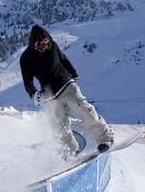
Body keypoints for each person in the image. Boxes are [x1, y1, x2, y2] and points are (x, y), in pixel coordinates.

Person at [20, 24, 114, 158]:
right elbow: (27, 80)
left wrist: (73, 73)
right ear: (35, 43)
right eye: (43, 43)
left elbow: (63, 59)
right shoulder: (26, 58)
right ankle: (70, 151)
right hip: (49, 93)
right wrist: (33, 93)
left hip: (66, 85)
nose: (46, 45)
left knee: (85, 112)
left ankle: (105, 138)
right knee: (59, 126)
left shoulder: (53, 46)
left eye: (48, 41)